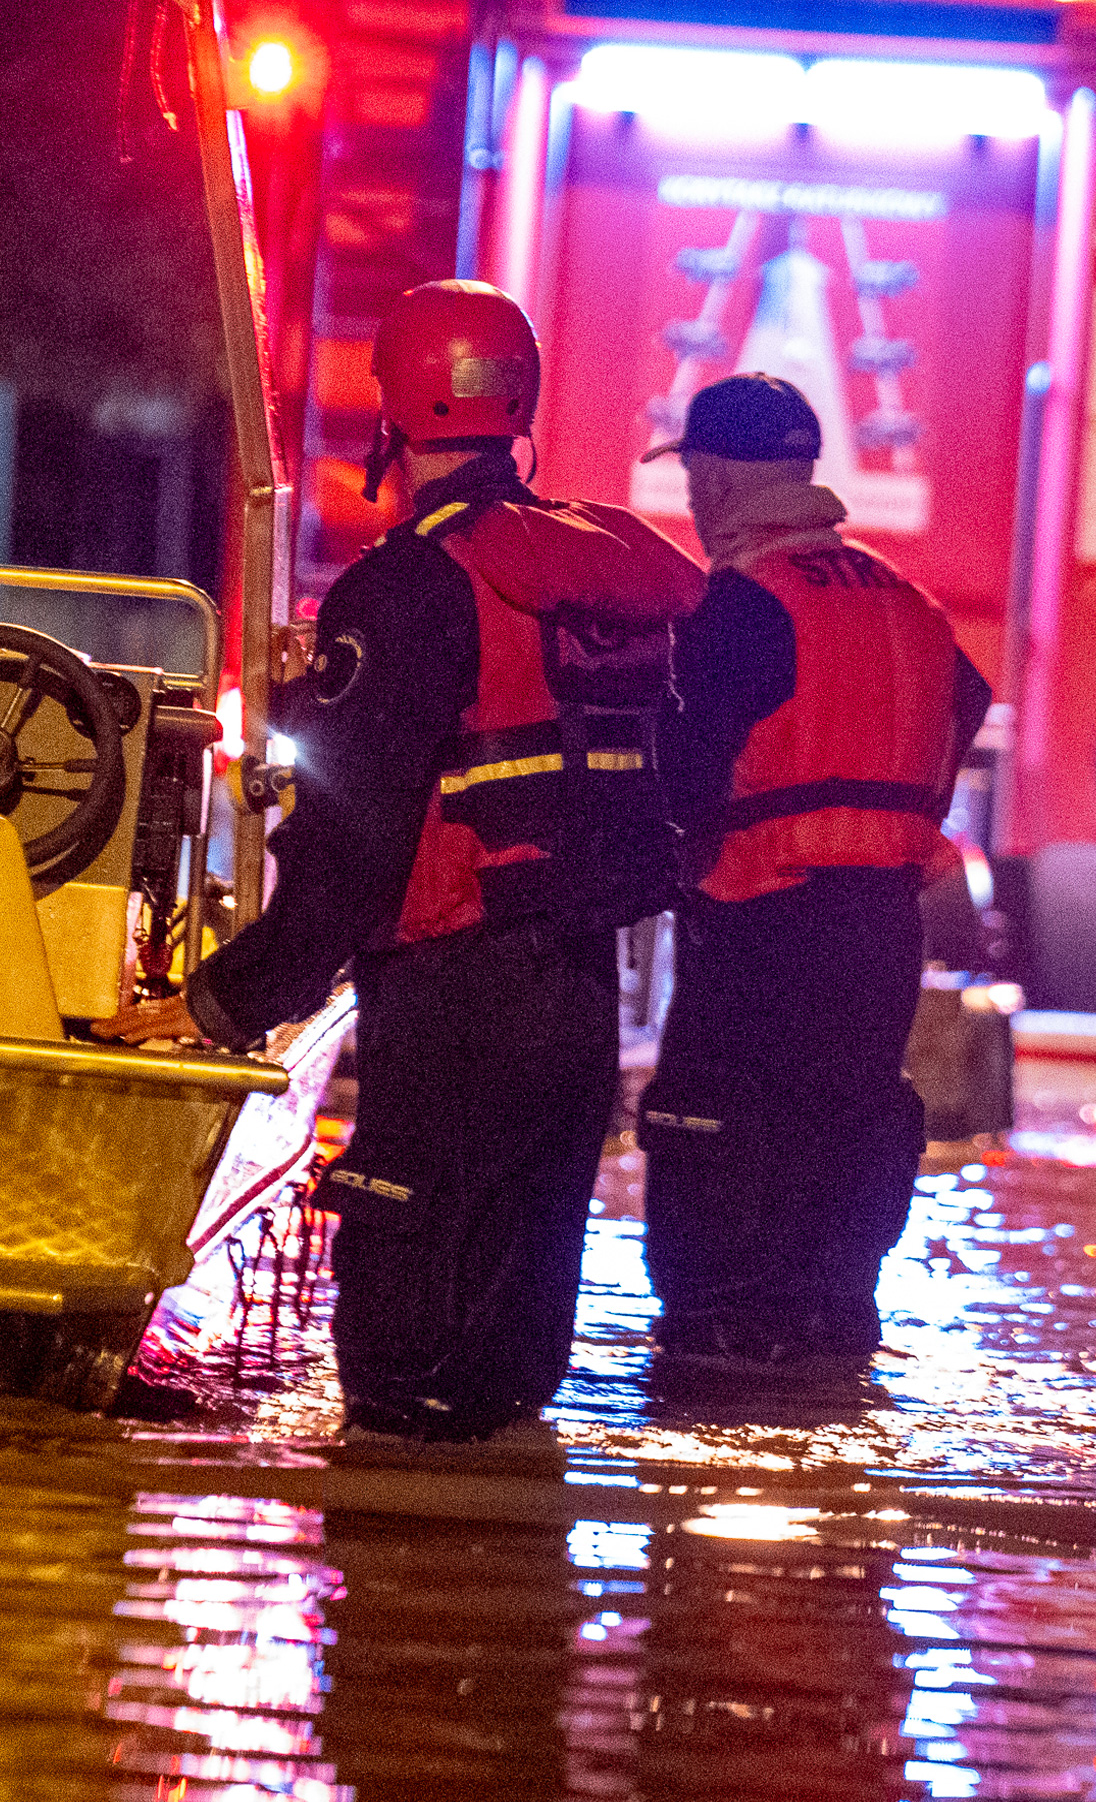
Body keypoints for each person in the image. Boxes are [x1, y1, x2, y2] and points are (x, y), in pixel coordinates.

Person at [99, 281, 705, 1442]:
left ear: (396, 416)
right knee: (509, 1367)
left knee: (404, 1374)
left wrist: (225, 1000)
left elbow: (355, 841)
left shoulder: (410, 584)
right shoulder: (597, 561)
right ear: (513, 405)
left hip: (452, 999)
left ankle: (400, 1607)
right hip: (584, 991)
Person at [636, 373, 993, 1373]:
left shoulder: (740, 607)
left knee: (722, 1144)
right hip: (882, 933)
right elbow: (961, 707)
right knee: (844, 1132)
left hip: (757, 925)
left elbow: (683, 774)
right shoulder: (908, 602)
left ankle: (721, 1351)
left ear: (712, 480)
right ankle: (829, 1335)